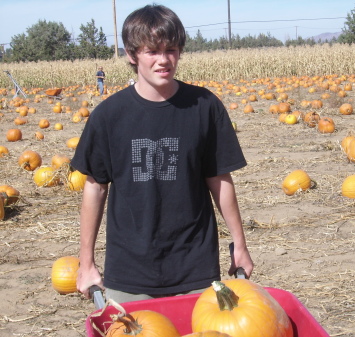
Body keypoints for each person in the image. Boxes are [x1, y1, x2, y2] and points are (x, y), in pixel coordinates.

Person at [73, 4, 254, 303]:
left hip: (195, 266)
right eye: (152, 51)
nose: (163, 60)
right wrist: (86, 263)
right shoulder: (108, 116)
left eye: (170, 49)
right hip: (129, 272)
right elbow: (95, 188)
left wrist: (240, 244)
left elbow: (220, 179)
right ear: (132, 55)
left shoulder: (205, 107)